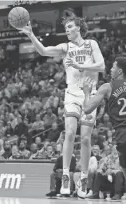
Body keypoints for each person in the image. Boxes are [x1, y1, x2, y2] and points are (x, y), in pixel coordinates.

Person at [18, 9, 105, 198]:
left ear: (79, 27)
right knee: (71, 132)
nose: (67, 29)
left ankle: (82, 179)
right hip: (72, 93)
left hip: (90, 95)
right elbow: (43, 51)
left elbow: (101, 66)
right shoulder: (66, 48)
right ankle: (66, 175)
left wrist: (82, 66)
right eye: (65, 27)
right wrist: (31, 34)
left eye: (70, 26)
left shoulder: (91, 44)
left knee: (85, 138)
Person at [84, 56, 126, 191]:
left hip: (124, 138)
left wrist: (87, 93)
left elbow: (87, 109)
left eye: (113, 67)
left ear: (120, 71)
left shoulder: (107, 87)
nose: (111, 69)